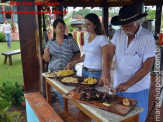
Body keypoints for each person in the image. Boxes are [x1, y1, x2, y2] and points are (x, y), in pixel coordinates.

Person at [104, 5, 155, 122]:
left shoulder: (147, 37)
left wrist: (128, 84)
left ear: (137, 22)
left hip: (138, 90)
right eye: (123, 26)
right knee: (118, 118)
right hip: (119, 87)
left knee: (136, 119)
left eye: (128, 26)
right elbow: (109, 54)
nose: (125, 29)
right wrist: (106, 72)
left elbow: (147, 67)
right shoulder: (119, 34)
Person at [43, 19, 81, 110]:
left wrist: (72, 62)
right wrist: (46, 55)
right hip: (55, 73)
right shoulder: (49, 43)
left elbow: (77, 53)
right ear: (54, 29)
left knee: (73, 90)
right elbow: (46, 60)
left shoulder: (71, 40)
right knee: (60, 92)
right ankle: (65, 110)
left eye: (64, 27)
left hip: (69, 70)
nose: (63, 29)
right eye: (60, 27)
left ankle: (80, 108)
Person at [69, 13, 110, 84]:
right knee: (84, 92)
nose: (86, 26)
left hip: (95, 73)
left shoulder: (102, 38)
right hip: (84, 70)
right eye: (85, 24)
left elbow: (106, 58)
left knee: (94, 94)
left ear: (95, 25)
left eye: (89, 24)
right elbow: (87, 55)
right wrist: (74, 62)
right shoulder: (87, 36)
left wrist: (105, 74)